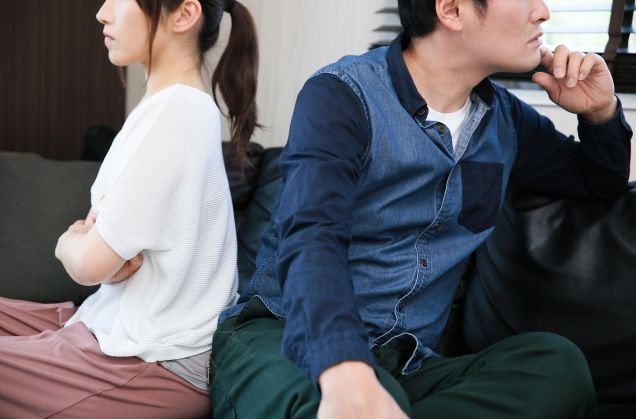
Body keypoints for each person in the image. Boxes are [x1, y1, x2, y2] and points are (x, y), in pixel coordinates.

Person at [210, 0, 633, 418]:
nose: (542, 11)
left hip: (408, 364)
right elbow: (312, 239)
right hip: (289, 338)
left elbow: (599, 181)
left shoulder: (506, 121)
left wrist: (601, 113)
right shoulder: (343, 94)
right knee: (339, 401)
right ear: (451, 10)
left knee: (557, 365)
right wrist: (345, 367)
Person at [0, 0, 258, 417]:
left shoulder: (180, 112)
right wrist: (92, 250)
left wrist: (68, 242)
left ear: (184, 14)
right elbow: (107, 260)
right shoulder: (163, 108)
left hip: (153, 363)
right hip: (111, 327)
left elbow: (89, 264)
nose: (102, 13)